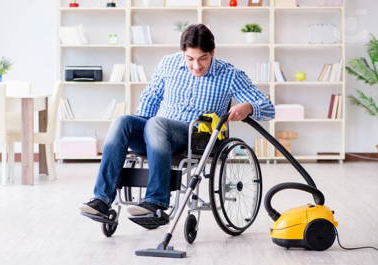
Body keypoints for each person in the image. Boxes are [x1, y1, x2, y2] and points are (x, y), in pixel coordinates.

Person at [79, 24, 275, 226]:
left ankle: (156, 202)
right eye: (190, 59)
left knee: (157, 124)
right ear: (183, 53)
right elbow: (150, 98)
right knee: (123, 122)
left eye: (203, 59)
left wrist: (249, 107)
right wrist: (139, 127)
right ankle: (101, 200)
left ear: (212, 53)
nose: (196, 66)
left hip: (194, 137)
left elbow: (268, 108)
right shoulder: (168, 63)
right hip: (156, 134)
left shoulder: (230, 74)